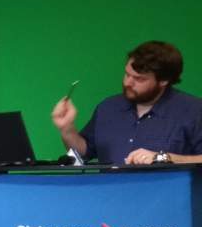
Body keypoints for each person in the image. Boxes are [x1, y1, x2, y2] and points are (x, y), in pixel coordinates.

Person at [52, 41, 202, 165]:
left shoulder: (193, 111)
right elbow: (82, 154)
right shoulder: (107, 108)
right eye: (127, 74)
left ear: (164, 81)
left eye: (139, 79)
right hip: (109, 191)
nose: (128, 83)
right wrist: (67, 129)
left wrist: (162, 158)